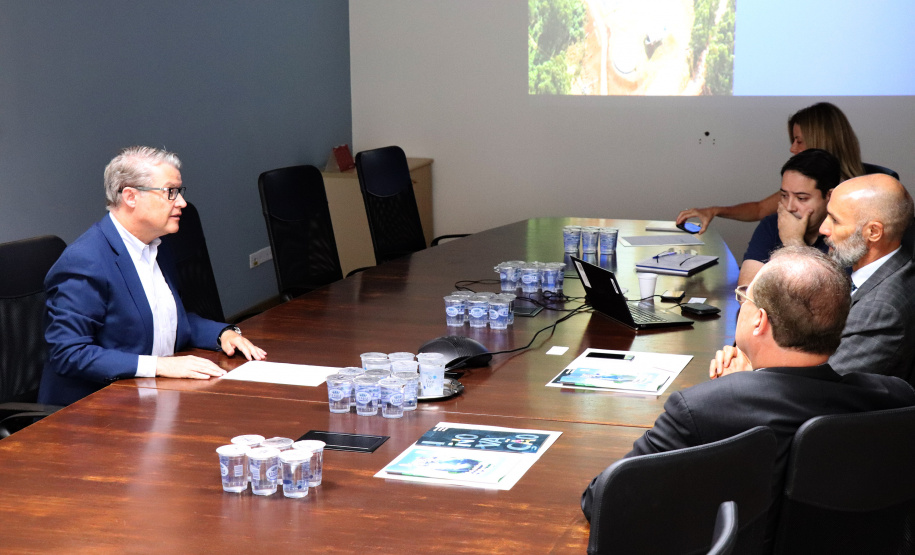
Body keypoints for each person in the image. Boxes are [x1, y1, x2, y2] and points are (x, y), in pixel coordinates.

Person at [581, 247, 915, 540]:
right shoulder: (894, 397)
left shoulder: (701, 408)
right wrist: (749, 382)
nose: (741, 305)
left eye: (744, 299)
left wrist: (733, 389)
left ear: (759, 321)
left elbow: (602, 502)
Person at [38, 146, 267, 406]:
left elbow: (167, 320)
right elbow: (69, 353)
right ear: (131, 197)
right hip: (94, 409)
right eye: (170, 192)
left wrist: (224, 334)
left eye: (179, 192)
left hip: (150, 395)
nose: (181, 203)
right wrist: (159, 365)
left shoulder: (158, 246)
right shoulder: (86, 260)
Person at [711, 174, 915, 383]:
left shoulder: (883, 310)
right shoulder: (863, 264)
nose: (823, 229)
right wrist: (749, 356)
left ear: (873, 232)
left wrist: (749, 372)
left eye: (835, 220)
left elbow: (822, 387)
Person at [676, 102, 864, 234]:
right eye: (786, 196)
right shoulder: (770, 225)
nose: (792, 149)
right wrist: (714, 210)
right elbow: (759, 209)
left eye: (799, 141)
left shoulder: (856, 201)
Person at [737, 148, 839, 286]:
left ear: (830, 196)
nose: (790, 207)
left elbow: (826, 296)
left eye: (801, 198)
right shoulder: (772, 225)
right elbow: (746, 288)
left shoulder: (844, 235)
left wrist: (793, 242)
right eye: (784, 196)